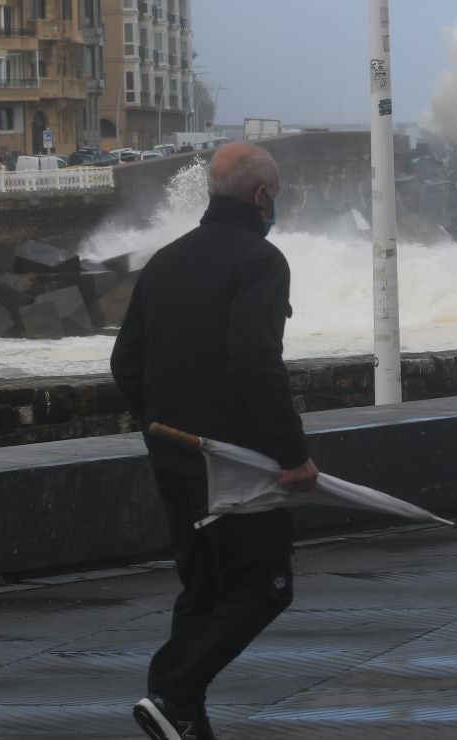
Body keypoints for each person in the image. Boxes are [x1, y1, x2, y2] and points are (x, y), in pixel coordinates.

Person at [111, 143, 318, 740]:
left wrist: (159, 424)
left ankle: (181, 717)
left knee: (204, 587)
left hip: (172, 453)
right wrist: (291, 454)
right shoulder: (261, 260)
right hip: (237, 466)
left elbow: (125, 363)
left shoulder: (166, 260)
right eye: (273, 198)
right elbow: (256, 360)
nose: (274, 208)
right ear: (260, 198)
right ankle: (172, 689)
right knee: (264, 583)